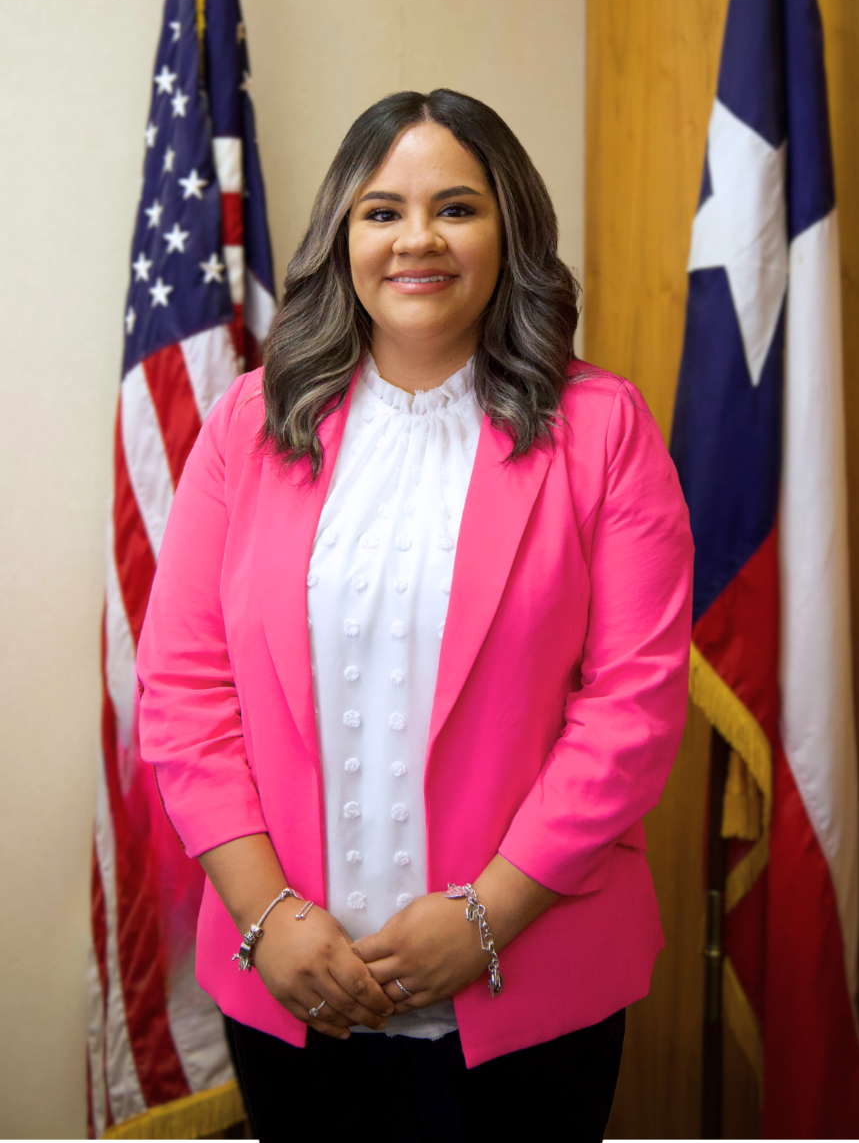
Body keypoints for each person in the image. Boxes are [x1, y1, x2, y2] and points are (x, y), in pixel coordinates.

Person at [137, 88, 693, 1142]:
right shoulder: (244, 429)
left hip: (534, 996)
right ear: (342, 234)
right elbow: (183, 691)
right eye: (382, 210)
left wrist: (486, 918)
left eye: (456, 206)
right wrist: (267, 915)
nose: (417, 239)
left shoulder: (602, 429)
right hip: (293, 993)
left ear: (509, 230)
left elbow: (632, 710)